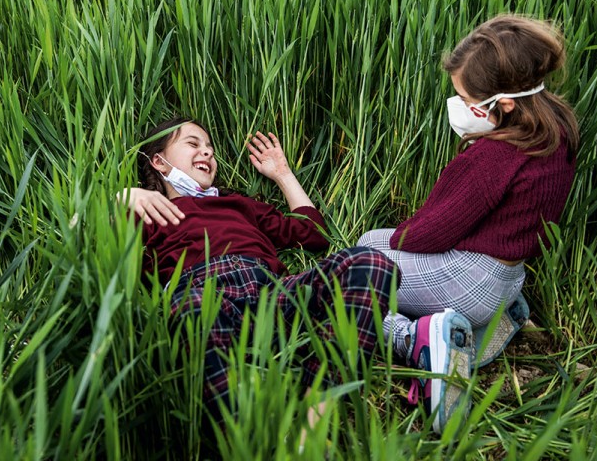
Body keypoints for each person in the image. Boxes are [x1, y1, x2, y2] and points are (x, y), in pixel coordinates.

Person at [356, 14, 580, 432]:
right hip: (508, 276)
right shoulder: (557, 127)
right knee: (376, 248)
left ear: (505, 103)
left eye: (464, 98)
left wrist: (397, 239)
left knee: (354, 267)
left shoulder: (492, 158)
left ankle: (419, 340)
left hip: (471, 280)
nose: (459, 106)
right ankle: (496, 324)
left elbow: (428, 233)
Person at [122, 117, 397, 419]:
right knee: (192, 307)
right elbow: (88, 239)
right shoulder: (149, 211)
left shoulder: (239, 205)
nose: (207, 152)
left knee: (372, 262)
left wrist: (283, 174)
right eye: (193, 144)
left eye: (210, 147)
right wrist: (121, 198)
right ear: (159, 162)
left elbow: (313, 234)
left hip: (273, 294)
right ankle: (244, 437)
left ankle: (315, 423)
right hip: (207, 296)